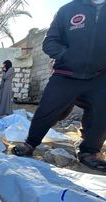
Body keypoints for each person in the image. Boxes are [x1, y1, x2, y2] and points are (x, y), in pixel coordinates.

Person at [12, 0, 106, 172]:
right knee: (47, 109)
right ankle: (30, 143)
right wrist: (66, 55)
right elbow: (50, 42)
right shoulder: (68, 10)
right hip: (66, 74)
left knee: (101, 112)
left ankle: (89, 152)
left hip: (100, 76)